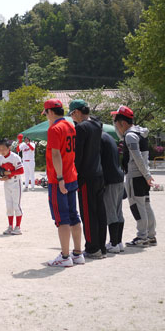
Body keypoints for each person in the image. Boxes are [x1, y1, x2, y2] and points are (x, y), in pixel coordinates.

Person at [42, 99, 84, 267]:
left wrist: (59, 178)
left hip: (59, 179)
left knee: (62, 219)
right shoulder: (70, 125)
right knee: (74, 215)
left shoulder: (54, 128)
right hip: (72, 175)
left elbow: (56, 154)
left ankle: (65, 256)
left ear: (50, 112)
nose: (46, 116)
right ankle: (77, 253)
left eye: (46, 113)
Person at [112, 106, 156, 247]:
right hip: (142, 176)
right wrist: (147, 175)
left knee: (137, 206)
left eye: (117, 123)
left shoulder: (130, 136)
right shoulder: (138, 132)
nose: (116, 126)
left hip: (136, 176)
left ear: (123, 123)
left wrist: (146, 174)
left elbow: (137, 157)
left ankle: (142, 236)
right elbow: (142, 157)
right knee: (146, 205)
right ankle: (150, 235)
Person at [69, 99, 107, 259]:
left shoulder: (81, 128)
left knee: (88, 213)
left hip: (86, 176)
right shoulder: (97, 125)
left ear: (77, 112)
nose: (72, 118)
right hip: (99, 173)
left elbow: (78, 155)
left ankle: (92, 248)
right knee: (100, 211)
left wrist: (73, 173)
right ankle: (101, 246)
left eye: (72, 114)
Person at [100, 131, 125, 253]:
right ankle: (119, 242)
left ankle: (113, 243)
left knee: (111, 212)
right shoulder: (109, 137)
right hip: (119, 177)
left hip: (111, 179)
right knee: (118, 212)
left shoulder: (100, 139)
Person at [0, 139, 25, 235]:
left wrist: (10, 173)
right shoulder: (0, 158)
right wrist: (0, 178)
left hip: (16, 182)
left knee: (16, 205)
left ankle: (18, 227)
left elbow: (21, 171)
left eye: (3, 148)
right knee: (9, 206)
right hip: (6, 183)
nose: (1, 151)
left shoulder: (15, 157)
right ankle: (10, 226)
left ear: (9, 148)